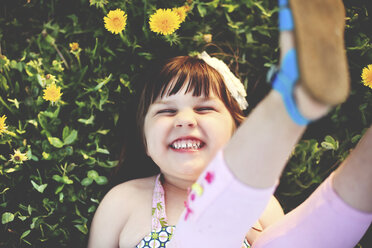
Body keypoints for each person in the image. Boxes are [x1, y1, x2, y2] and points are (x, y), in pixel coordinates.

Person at [88, 0, 372, 247]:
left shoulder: (264, 207)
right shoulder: (123, 202)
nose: (185, 120)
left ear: (239, 133)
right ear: (144, 140)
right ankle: (291, 99)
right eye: (166, 112)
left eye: (204, 108)